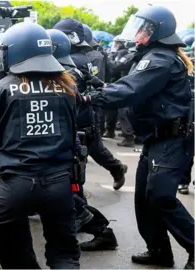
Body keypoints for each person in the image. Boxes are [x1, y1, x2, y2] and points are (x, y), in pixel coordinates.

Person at [0, 22, 80, 269]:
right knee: (63, 252)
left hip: (18, 183)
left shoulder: (3, 88)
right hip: (60, 183)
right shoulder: (66, 87)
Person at [85, 6, 194, 269]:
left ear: (158, 31)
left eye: (145, 28)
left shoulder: (160, 59)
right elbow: (133, 86)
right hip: (157, 139)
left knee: (160, 197)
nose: (138, 33)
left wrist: (91, 98)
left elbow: (132, 89)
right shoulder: (153, 56)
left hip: (171, 139)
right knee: (145, 198)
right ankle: (158, 251)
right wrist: (103, 87)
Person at [48, 28, 119, 252]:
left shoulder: (65, 72)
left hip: (69, 135)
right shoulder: (70, 68)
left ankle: (99, 230)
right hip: (73, 133)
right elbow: (99, 84)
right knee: (69, 189)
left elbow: (69, 103)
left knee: (69, 189)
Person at [54, 17, 127, 191]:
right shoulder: (82, 56)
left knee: (78, 156)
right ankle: (116, 168)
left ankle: (77, 201)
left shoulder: (70, 59)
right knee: (94, 147)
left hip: (77, 111)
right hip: (85, 110)